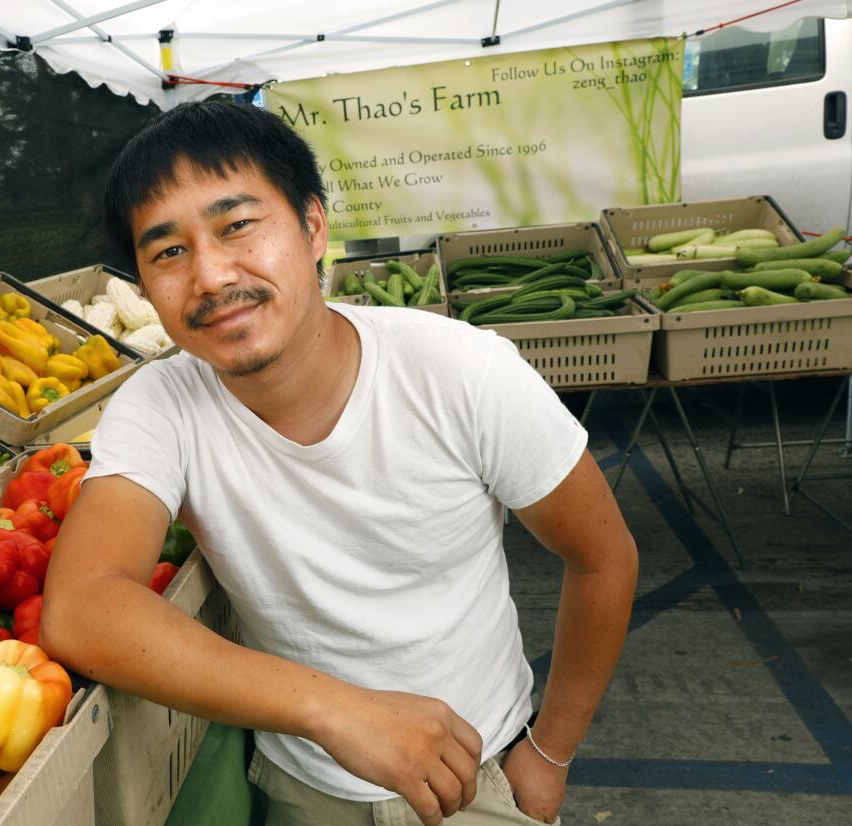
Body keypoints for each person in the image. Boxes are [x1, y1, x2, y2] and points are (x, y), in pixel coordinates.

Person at [40, 100, 638, 826]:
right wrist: (336, 711)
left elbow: (603, 556)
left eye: (237, 227)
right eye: (168, 252)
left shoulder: (462, 371)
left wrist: (548, 757)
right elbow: (81, 607)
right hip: (302, 783)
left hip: (479, 772)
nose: (210, 275)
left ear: (314, 227)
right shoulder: (161, 404)